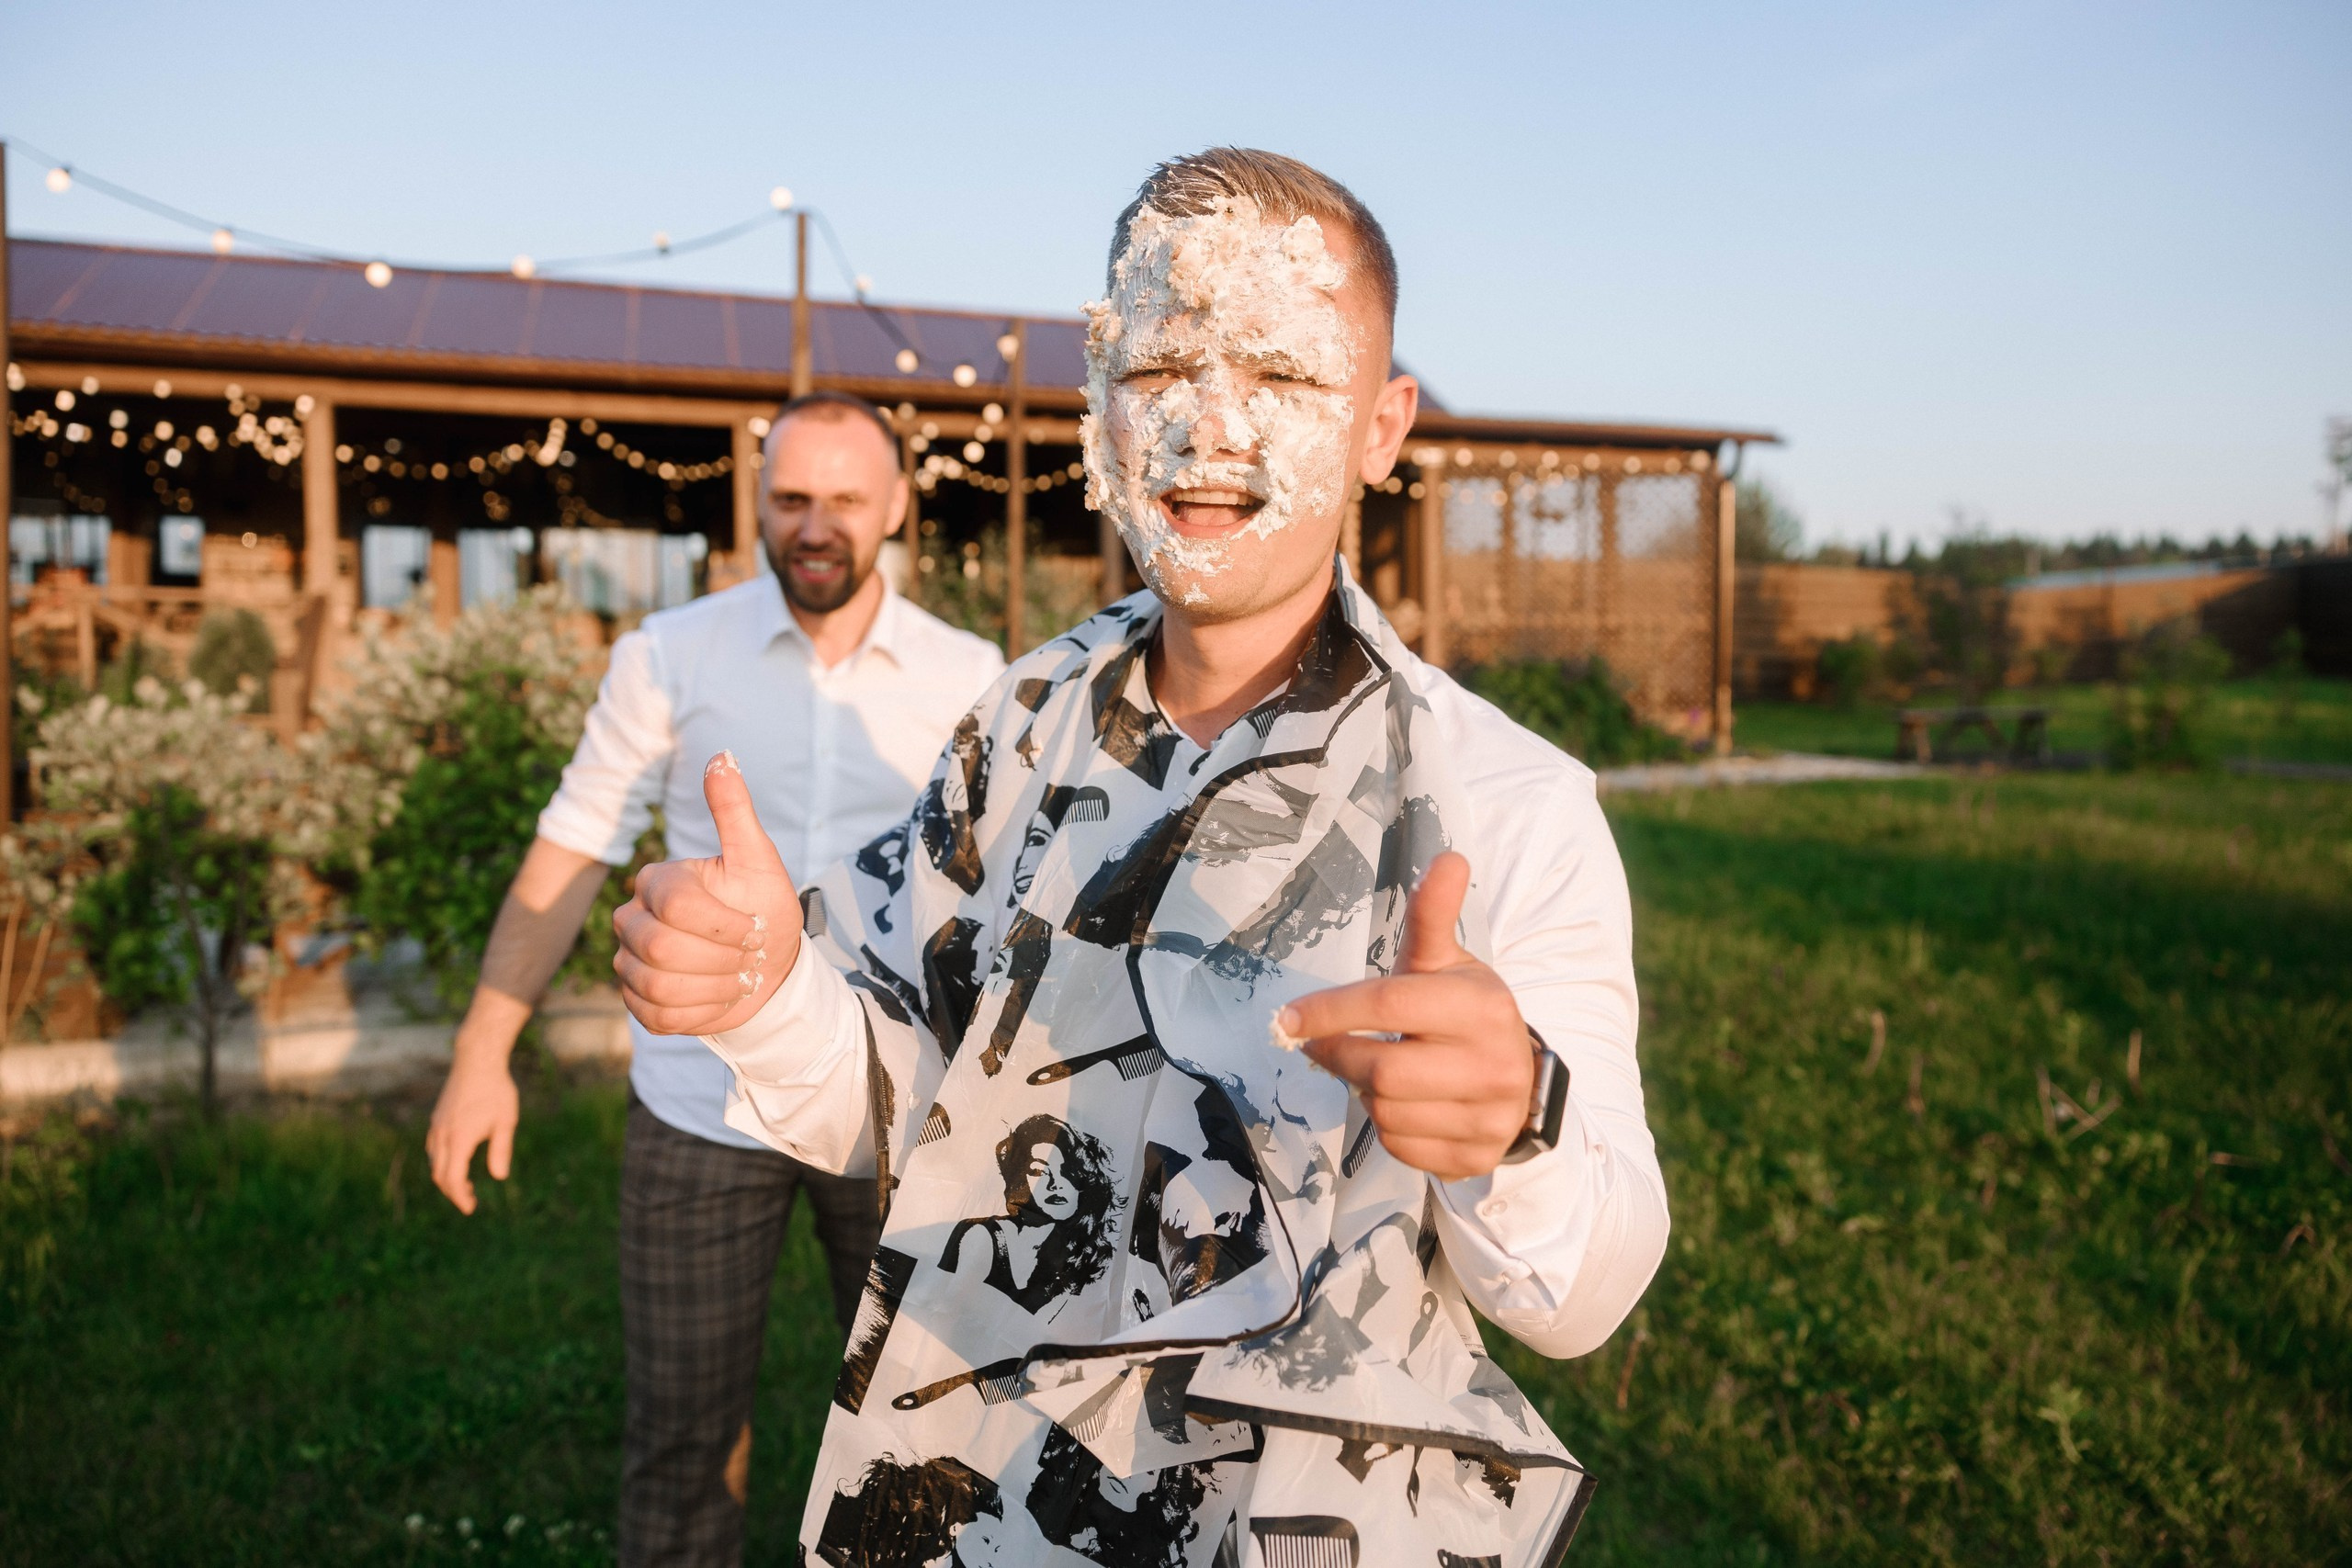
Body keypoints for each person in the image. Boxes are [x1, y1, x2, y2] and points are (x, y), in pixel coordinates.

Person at [613, 149, 1670, 1567]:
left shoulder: (1508, 803)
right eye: (1163, 364)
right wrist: (760, 987)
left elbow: (1584, 1290)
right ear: (1101, 402)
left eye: (1286, 378)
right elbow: (887, 1087)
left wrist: (1517, 1123)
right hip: (971, 1507)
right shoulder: (1015, 725)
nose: (1213, 427)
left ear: (1381, 424)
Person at [424, 389, 1004, 1567]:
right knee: (682, 1445)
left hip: (899, 1109)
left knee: (934, 1433)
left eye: (845, 498)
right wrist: (481, 1053)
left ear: (895, 505)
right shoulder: (669, 653)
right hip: (695, 1108)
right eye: (791, 498)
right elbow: (575, 843)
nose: (816, 524)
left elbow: (999, 897)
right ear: (757, 503)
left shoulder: (975, 674)